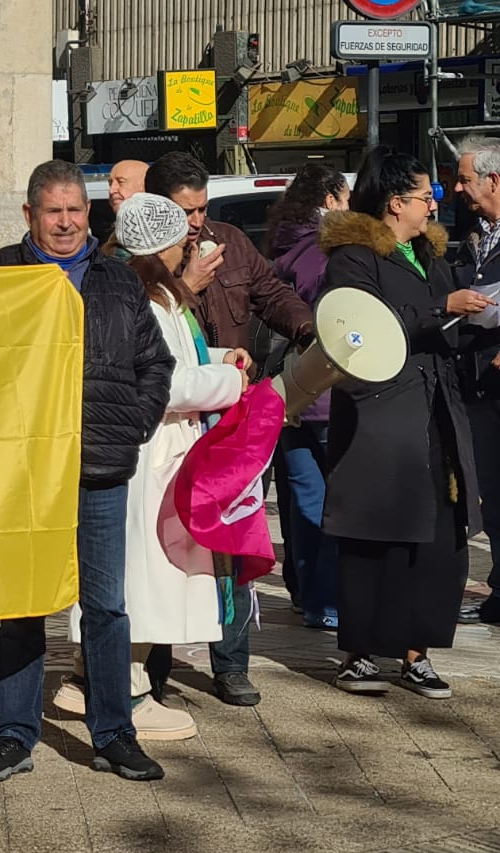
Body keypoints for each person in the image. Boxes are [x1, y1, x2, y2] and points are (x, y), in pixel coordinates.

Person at [0, 160, 174, 782]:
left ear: (92, 214)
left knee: (106, 606)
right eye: (54, 211)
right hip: (24, 472)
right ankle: (13, 734)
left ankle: (114, 734)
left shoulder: (117, 280)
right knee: (24, 602)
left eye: (76, 210)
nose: (66, 223)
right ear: (29, 215)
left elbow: (154, 365)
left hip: (100, 468)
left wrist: (131, 423)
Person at [56, 193, 245, 743]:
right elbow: (167, 383)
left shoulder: (137, 290)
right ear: (164, 246)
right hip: (148, 452)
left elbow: (177, 362)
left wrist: (216, 359)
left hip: (149, 451)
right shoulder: (146, 296)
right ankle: (127, 687)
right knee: (138, 577)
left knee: (132, 571)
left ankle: (91, 676)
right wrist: (230, 383)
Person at [144, 151, 315, 708]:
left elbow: (272, 295)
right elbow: (164, 346)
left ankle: (232, 665)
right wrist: (186, 281)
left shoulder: (232, 241)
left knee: (237, 538)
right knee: (167, 541)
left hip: (234, 416)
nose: (196, 223)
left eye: (201, 209)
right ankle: (156, 665)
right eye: (184, 211)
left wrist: (310, 328)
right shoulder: (142, 261)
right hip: (177, 425)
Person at [319, 146, 486, 698]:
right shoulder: (354, 257)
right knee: (374, 534)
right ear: (395, 203)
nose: (433, 205)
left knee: (440, 535)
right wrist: (442, 312)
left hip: (436, 409)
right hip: (381, 414)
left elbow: (446, 325)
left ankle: (418, 652)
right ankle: (359, 653)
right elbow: (361, 324)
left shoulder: (429, 255)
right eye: (425, 196)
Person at [265, 165, 351, 630]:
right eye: (346, 196)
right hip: (325, 390)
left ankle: (304, 593)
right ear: (331, 199)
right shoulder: (327, 253)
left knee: (303, 499)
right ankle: (325, 601)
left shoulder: (283, 246)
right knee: (330, 502)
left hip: (285, 392)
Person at [451, 136, 500, 626]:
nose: (458, 189)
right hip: (480, 381)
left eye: (465, 179)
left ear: (494, 180)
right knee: (493, 492)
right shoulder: (479, 233)